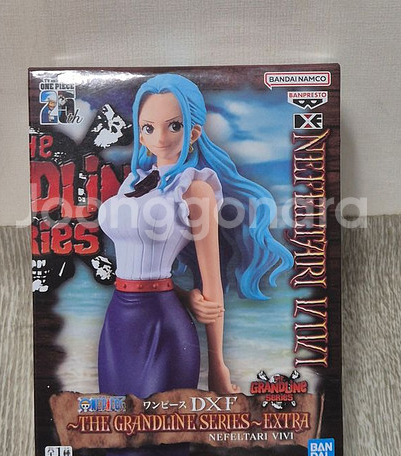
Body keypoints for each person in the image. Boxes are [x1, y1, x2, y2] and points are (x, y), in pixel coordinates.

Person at [97, 73, 292, 400]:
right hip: (118, 321)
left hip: (162, 325)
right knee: (116, 424)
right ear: (140, 133)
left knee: (162, 424)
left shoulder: (196, 188)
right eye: (149, 128)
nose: (160, 137)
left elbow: (211, 280)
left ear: (194, 132)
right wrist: (186, 297)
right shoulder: (132, 183)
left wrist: (218, 366)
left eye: (174, 126)